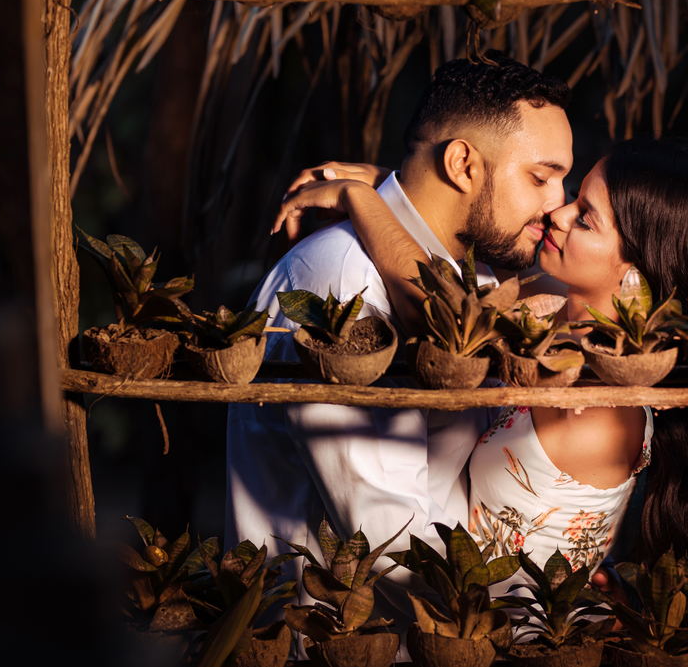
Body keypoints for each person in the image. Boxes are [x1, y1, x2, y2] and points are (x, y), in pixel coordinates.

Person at [225, 52, 574, 638]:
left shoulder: (477, 281)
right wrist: (538, 611)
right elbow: (386, 538)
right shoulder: (341, 278)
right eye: (540, 178)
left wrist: (377, 187)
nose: (557, 204)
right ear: (462, 163)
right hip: (337, 640)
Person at [277, 138, 688, 578]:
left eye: (585, 219)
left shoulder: (598, 408)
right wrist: (400, 185)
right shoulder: (559, 310)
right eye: (576, 197)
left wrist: (360, 198)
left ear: (635, 271)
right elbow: (469, 243)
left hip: (497, 613)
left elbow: (444, 307)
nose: (558, 213)